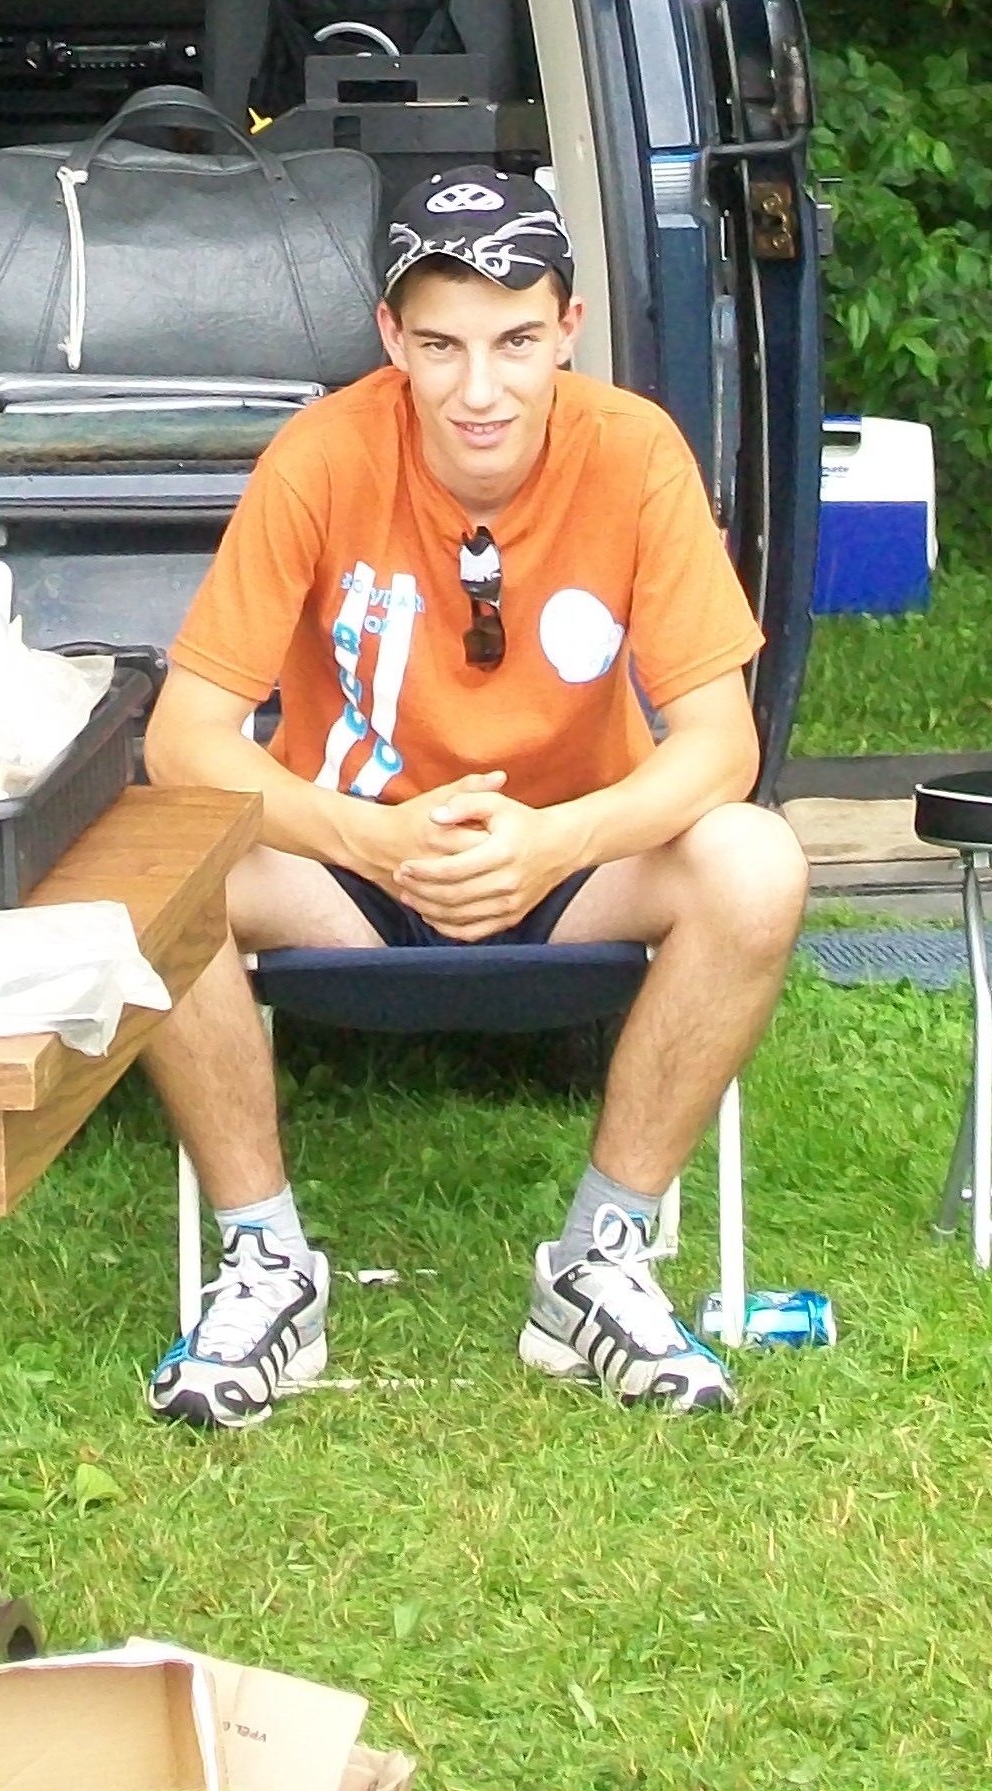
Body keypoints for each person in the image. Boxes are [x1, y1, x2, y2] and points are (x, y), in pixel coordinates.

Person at [139, 171, 808, 1427]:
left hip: (573, 861)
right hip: (352, 860)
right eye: (441, 346)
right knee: (154, 869)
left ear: (569, 329)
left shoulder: (635, 451)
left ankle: (602, 1260)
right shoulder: (321, 453)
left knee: (757, 859)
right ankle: (266, 1260)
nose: (480, 389)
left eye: (515, 342)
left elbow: (722, 745)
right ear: (392, 339)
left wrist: (555, 838)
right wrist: (374, 836)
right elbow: (185, 738)